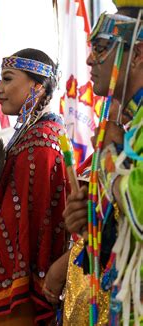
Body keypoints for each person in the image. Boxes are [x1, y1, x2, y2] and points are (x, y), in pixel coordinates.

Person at [0, 49, 68, 325]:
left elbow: (18, 223)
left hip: (21, 296)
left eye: (7, 79)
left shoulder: (39, 145)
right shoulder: (32, 137)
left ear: (37, 87)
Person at [63, 4, 142, 325]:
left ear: (136, 54)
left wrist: (109, 152)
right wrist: (95, 221)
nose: (89, 60)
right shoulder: (133, 123)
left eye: (101, 48)